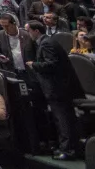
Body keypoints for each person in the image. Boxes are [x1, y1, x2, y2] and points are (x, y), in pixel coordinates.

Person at [26, 20, 82, 159]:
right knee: (64, 118)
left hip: (57, 89)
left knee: (62, 119)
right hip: (59, 88)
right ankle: (70, 147)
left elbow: (52, 64)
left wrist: (35, 65)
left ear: (36, 31)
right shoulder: (47, 42)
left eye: (29, 31)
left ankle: (68, 150)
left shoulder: (46, 43)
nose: (28, 34)